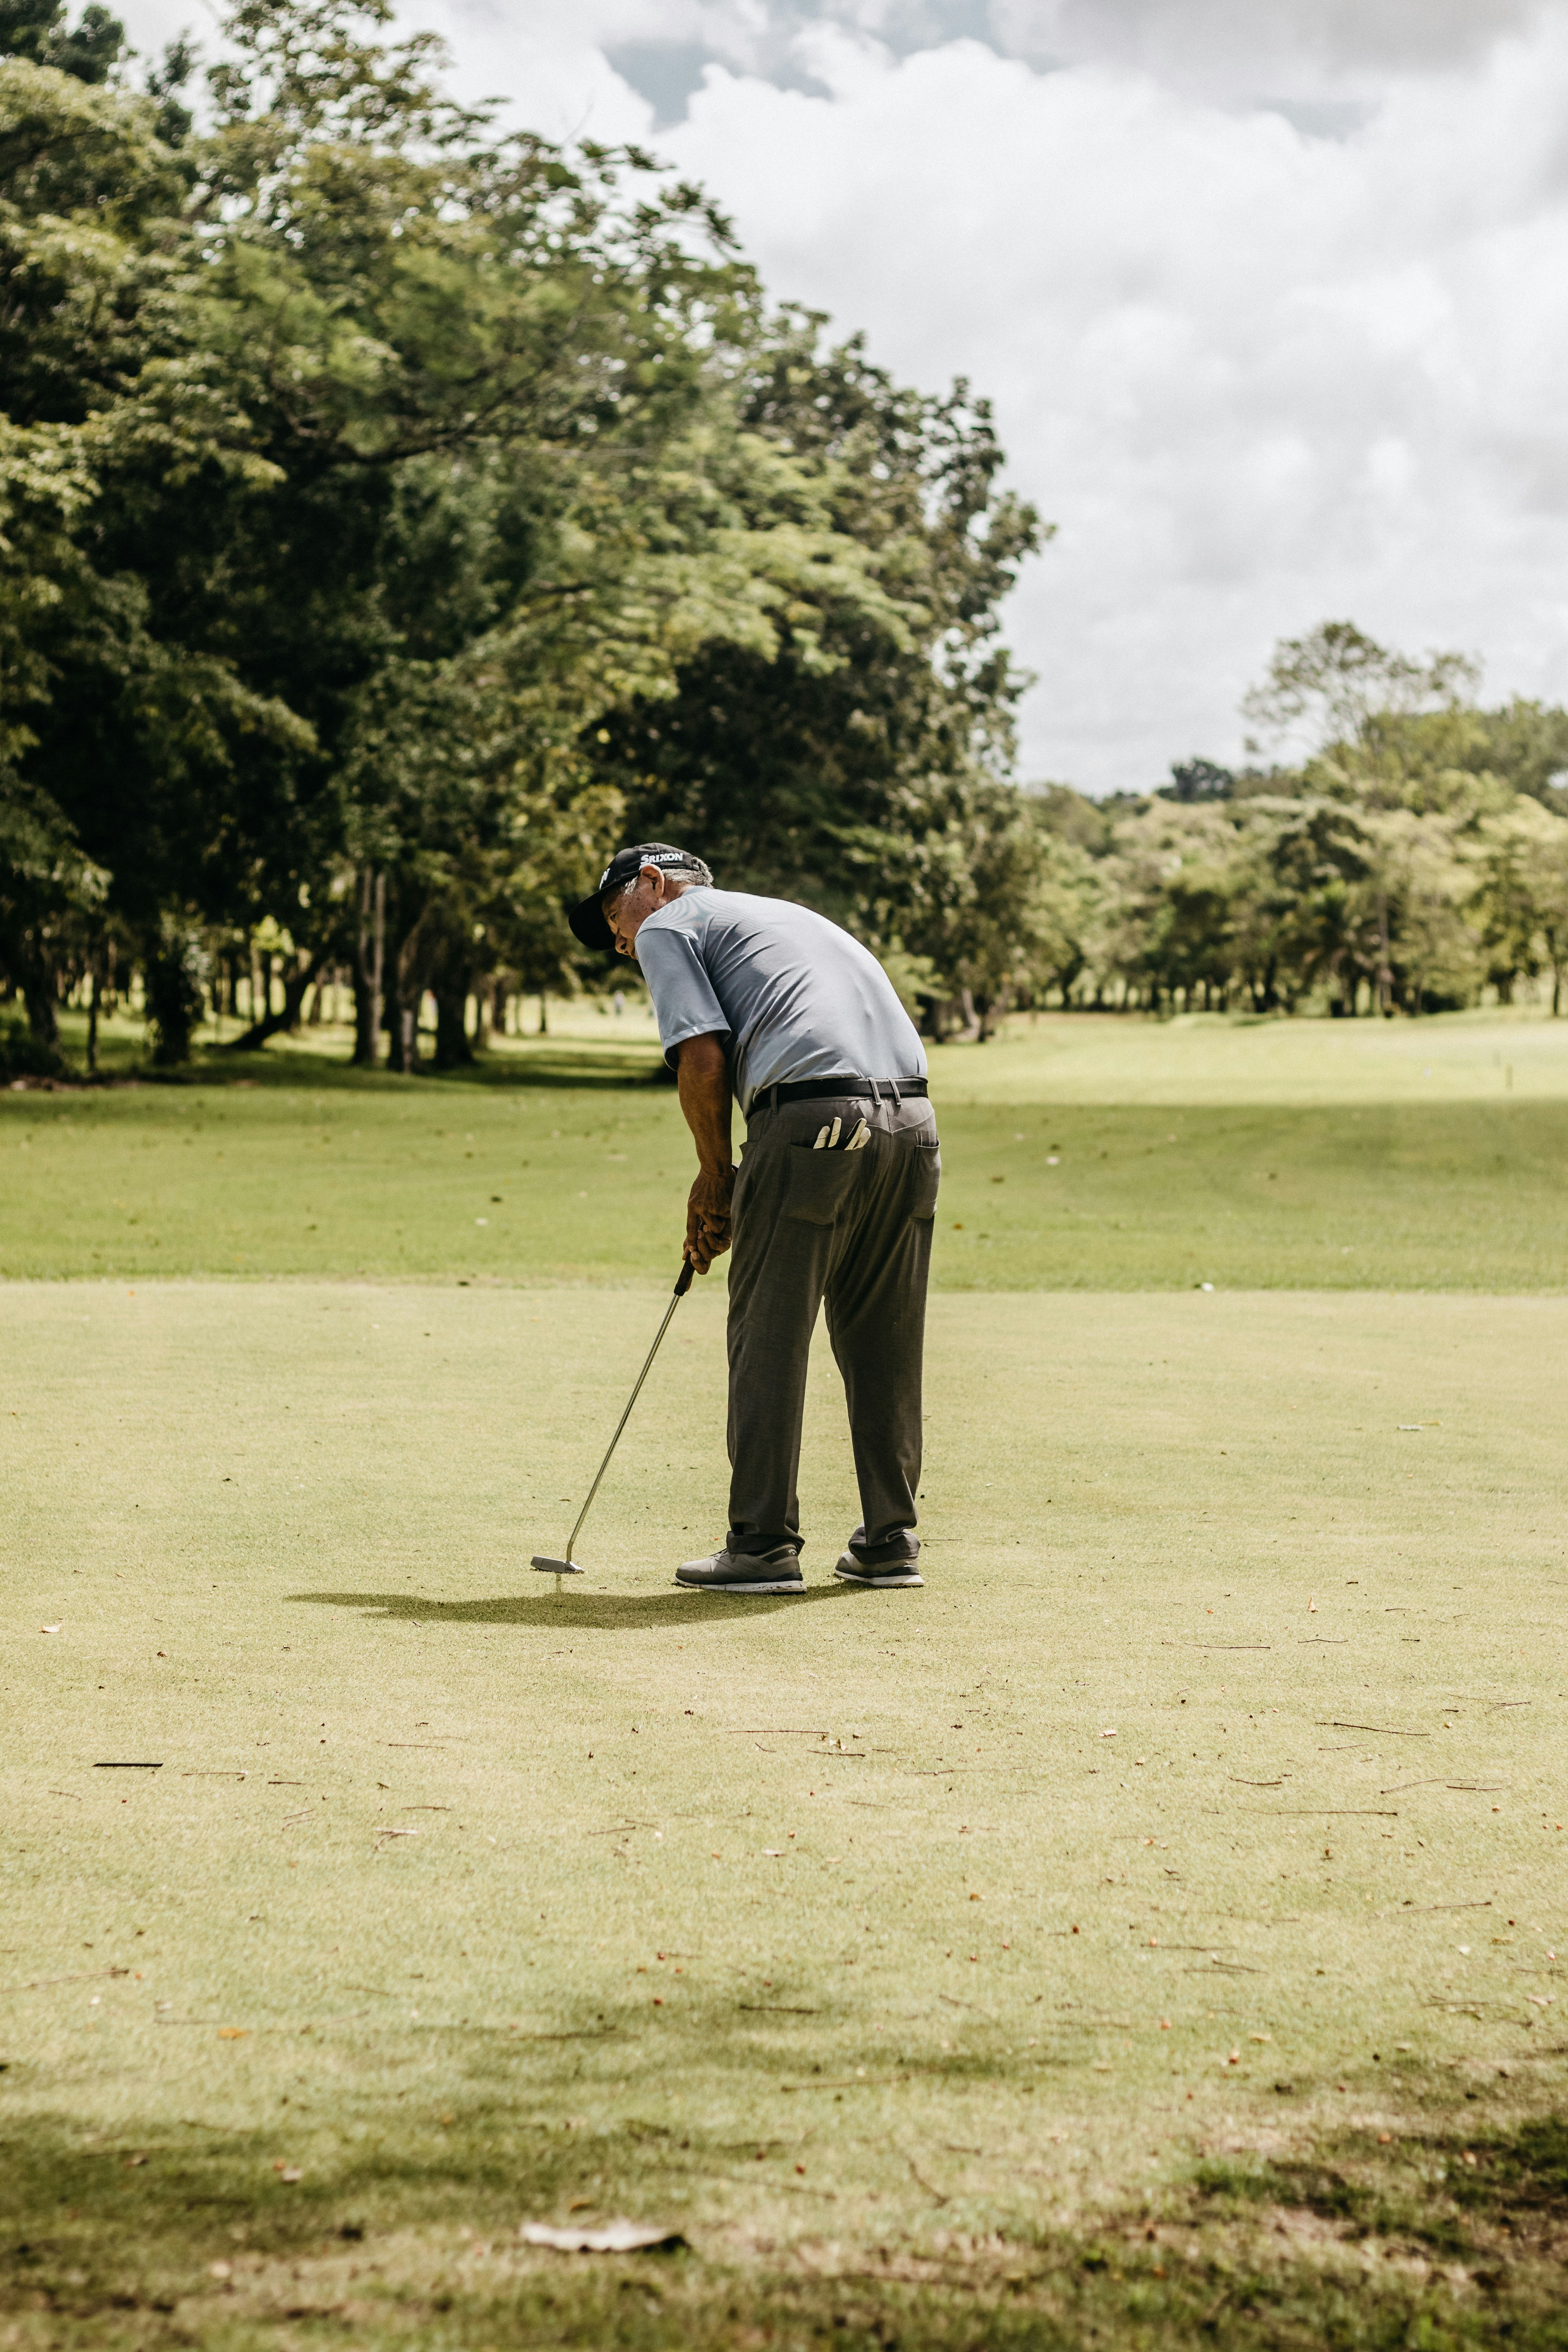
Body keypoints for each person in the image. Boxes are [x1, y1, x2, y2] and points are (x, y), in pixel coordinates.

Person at [569, 842, 940, 1595]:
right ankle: (889, 1540)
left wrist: (715, 1179)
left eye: (615, 917)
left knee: (768, 1333)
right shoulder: (786, 916)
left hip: (810, 1116)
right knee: (884, 1337)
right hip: (913, 1123)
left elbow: (702, 1058)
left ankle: (763, 1544)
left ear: (652, 883)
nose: (620, 941)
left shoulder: (668, 924)